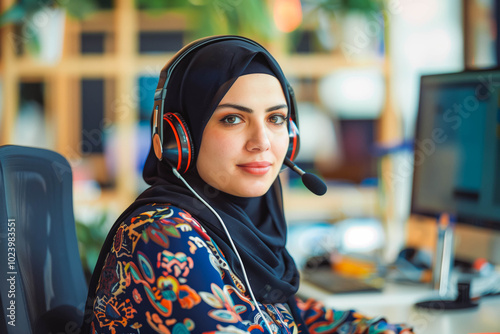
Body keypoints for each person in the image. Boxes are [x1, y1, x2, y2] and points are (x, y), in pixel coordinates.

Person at [82, 35, 414, 334]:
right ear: (180, 139)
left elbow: (299, 318)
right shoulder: (164, 235)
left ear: (292, 136)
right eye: (232, 119)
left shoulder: (242, 225)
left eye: (276, 119)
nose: (262, 142)